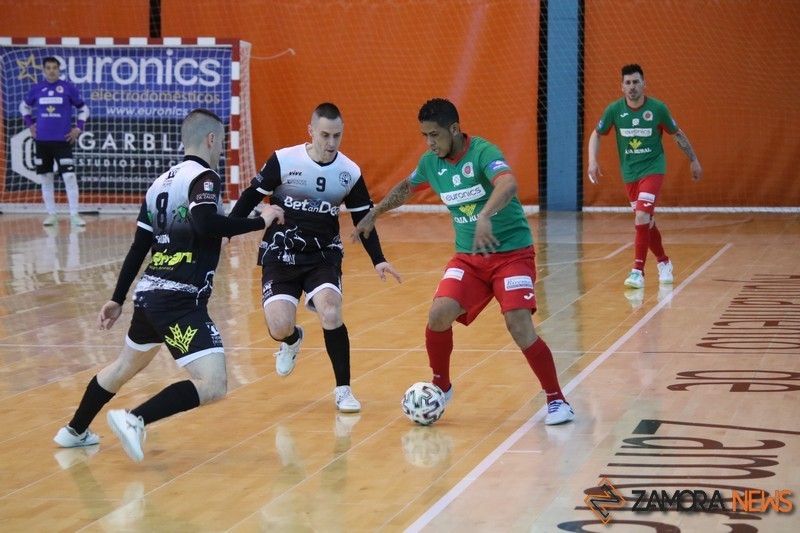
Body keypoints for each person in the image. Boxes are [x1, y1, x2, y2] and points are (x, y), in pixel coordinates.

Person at [53, 108, 285, 462]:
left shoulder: (159, 183)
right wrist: (260, 221)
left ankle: (74, 431)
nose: (221, 150)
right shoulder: (204, 177)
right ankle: (134, 420)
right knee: (213, 382)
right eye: (220, 143)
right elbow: (206, 224)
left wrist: (117, 298)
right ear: (210, 140)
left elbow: (138, 248)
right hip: (179, 299)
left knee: (122, 368)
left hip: (149, 295)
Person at [353, 98, 574, 426]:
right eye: (425, 135)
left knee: (518, 323)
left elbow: (508, 184)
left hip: (511, 254)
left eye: (435, 135)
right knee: (438, 313)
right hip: (469, 259)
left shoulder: (483, 152)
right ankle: (441, 384)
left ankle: (557, 399)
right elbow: (406, 187)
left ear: (454, 129)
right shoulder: (431, 162)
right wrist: (375, 212)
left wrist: (485, 214)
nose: (430, 142)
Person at [229, 102, 400, 413]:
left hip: (323, 254)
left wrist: (378, 259)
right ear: (311, 131)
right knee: (279, 325)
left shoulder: (349, 172)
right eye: (324, 135)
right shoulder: (284, 160)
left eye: (337, 136)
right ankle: (292, 340)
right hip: (280, 252)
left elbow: (364, 221)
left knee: (331, 311)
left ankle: (343, 389)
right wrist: (227, 230)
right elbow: (250, 197)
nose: (331, 143)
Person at [587, 64, 702, 289]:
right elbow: (597, 134)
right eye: (628, 83)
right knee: (646, 222)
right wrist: (592, 160)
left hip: (653, 169)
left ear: (644, 84)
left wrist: (693, 159)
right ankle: (664, 262)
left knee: (641, 217)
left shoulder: (658, 109)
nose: (632, 87)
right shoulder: (614, 110)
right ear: (622, 86)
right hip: (630, 173)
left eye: (636, 82)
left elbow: (676, 133)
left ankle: (637, 272)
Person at [20, 56, 90, 226]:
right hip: (42, 141)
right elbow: (24, 106)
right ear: (44, 70)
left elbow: (84, 109)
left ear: (59, 70)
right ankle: (52, 214)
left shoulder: (67, 88)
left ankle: (74, 215)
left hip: (62, 141)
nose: (52, 70)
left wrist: (78, 128)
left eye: (54, 68)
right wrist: (30, 124)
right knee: (46, 178)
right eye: (48, 67)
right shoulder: (37, 89)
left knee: (69, 176)